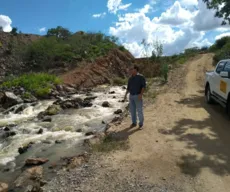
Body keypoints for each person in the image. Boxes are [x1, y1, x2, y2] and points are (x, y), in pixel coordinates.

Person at [124, 65, 146, 130]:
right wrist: (125, 95)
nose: (130, 70)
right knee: (132, 110)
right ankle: (134, 123)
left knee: (139, 110)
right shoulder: (130, 78)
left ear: (136, 70)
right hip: (131, 96)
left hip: (138, 95)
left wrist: (141, 95)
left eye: (132, 69)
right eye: (130, 69)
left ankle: (141, 124)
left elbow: (143, 86)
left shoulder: (141, 77)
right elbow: (128, 88)